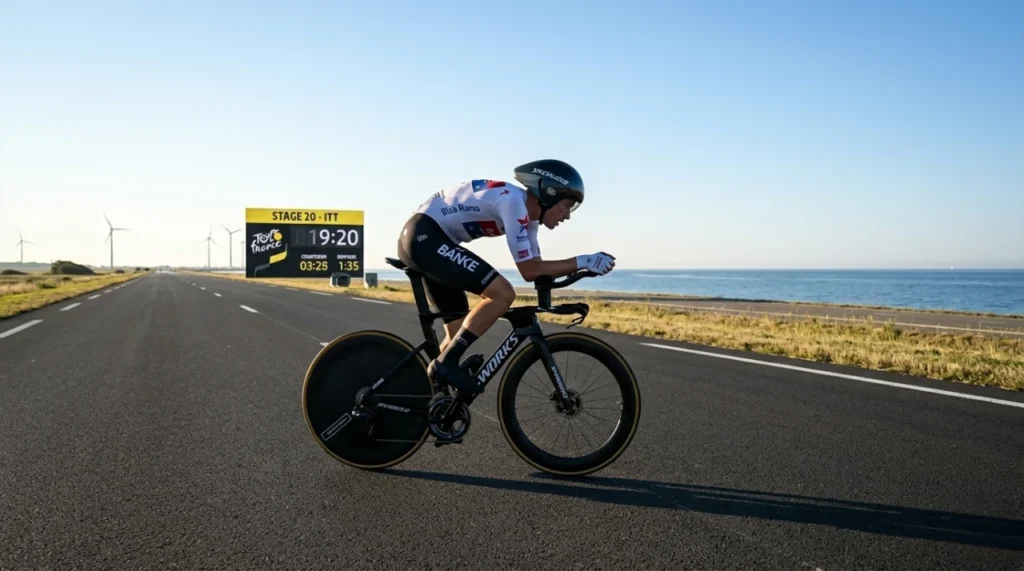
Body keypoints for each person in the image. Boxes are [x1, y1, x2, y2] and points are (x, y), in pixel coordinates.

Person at [395, 159, 616, 395]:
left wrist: (579, 271)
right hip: (425, 237)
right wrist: (582, 261)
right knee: (503, 294)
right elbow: (529, 270)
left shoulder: (529, 220)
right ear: (548, 195)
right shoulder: (513, 204)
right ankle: (443, 367)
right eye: (567, 206)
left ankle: (422, 399)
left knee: (456, 337)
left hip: (433, 240)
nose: (568, 215)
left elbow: (538, 271)